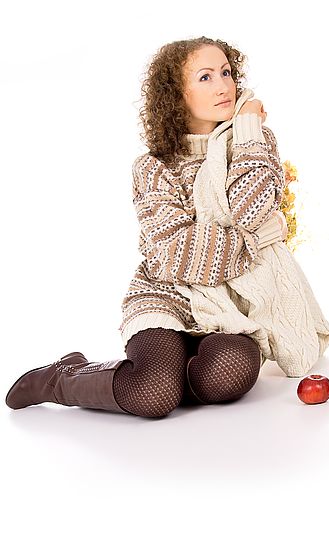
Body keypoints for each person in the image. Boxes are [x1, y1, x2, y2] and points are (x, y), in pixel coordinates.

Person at [5, 36, 289, 418]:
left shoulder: (254, 142)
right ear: (175, 94)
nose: (223, 86)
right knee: (153, 395)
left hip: (226, 307)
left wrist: (250, 125)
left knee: (231, 373)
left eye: (226, 72)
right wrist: (259, 237)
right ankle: (64, 377)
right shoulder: (153, 167)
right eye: (205, 77)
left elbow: (247, 208)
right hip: (165, 295)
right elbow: (177, 256)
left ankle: (169, 369)